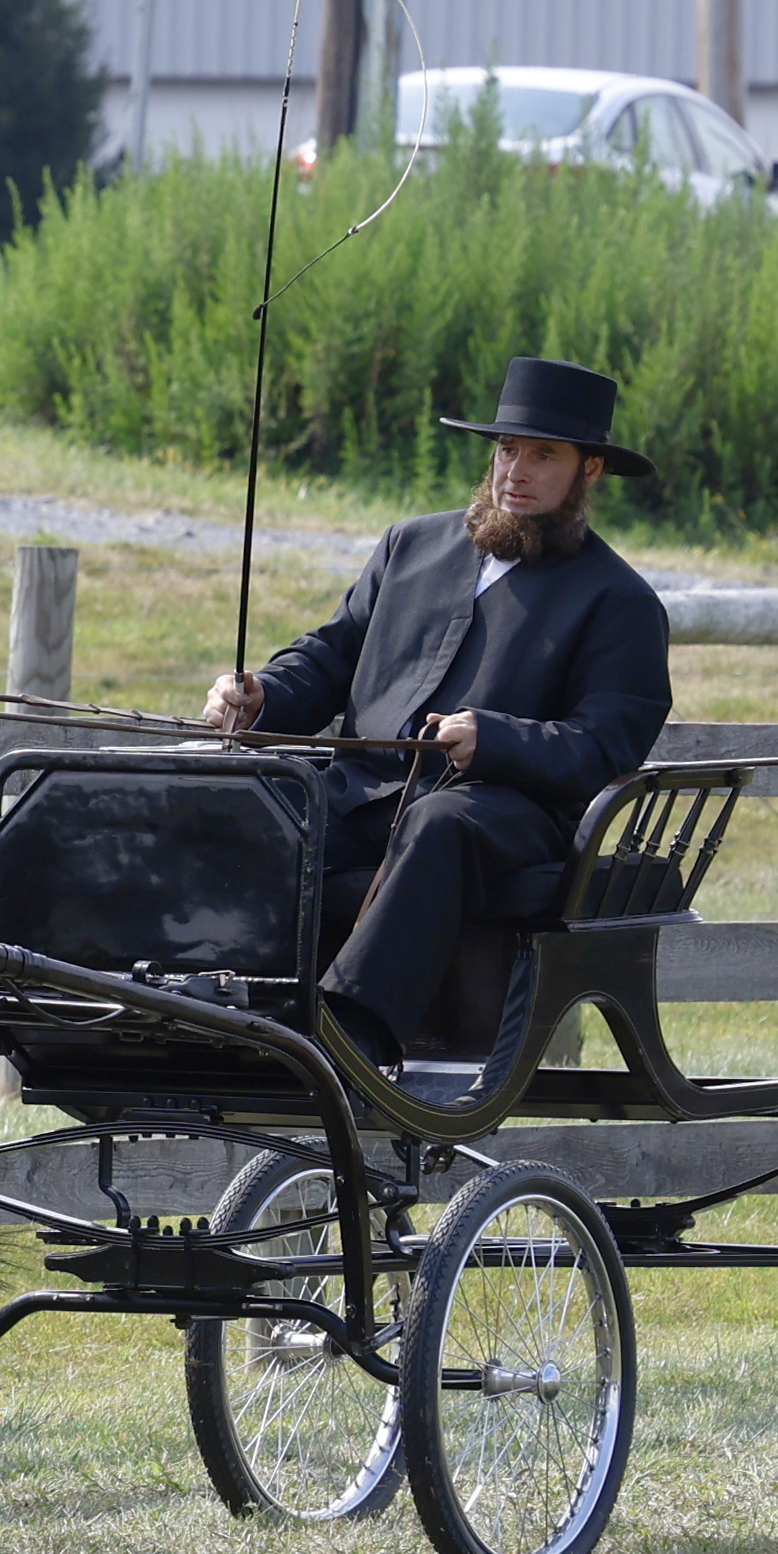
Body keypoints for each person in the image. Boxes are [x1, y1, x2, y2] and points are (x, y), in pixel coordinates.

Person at [203, 356, 672, 1071]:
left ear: (590, 471)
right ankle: (209, 1006)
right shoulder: (409, 546)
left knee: (438, 822)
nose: (515, 469)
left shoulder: (618, 602)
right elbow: (332, 656)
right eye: (506, 449)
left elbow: (606, 744)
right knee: (253, 799)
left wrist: (496, 739)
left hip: (502, 815)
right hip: (361, 793)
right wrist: (263, 691)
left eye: (543, 454)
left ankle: (352, 1034)